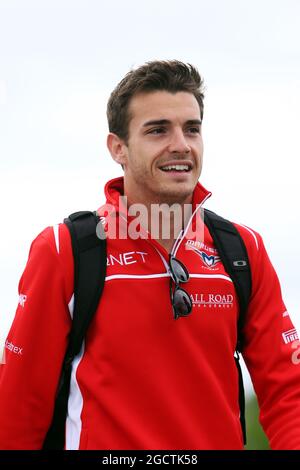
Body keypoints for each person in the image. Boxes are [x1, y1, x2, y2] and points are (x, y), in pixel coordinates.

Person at [0, 60, 300, 450]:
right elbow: (18, 410)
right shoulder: (65, 249)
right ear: (118, 148)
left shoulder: (242, 249)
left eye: (192, 129)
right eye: (158, 130)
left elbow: (288, 392)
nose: (181, 144)